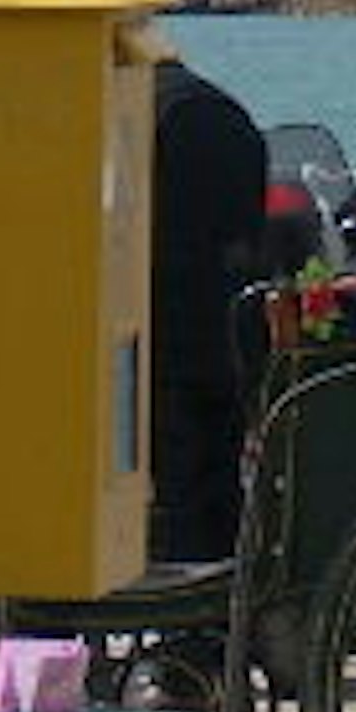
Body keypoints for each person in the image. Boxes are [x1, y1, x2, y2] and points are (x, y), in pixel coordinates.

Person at [146, 55, 271, 564]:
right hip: (225, 318)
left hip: (163, 320)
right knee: (211, 472)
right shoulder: (218, 112)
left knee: (182, 472)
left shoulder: (149, 112)